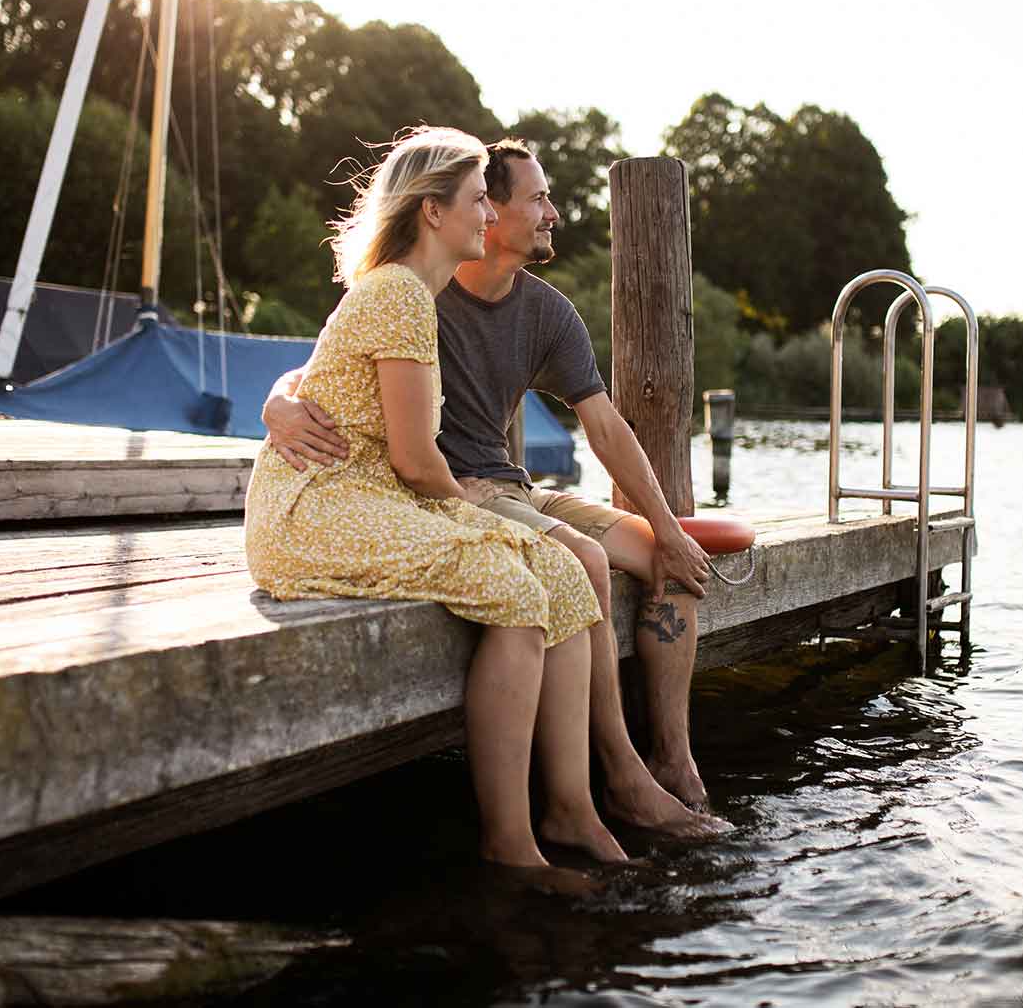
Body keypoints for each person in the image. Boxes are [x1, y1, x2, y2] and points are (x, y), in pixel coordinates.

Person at [264, 138, 723, 833]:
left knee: (670, 563)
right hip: (452, 489)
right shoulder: (421, 283)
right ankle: (619, 774)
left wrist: (668, 529)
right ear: (491, 211)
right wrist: (276, 406)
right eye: (534, 199)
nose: (553, 214)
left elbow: (605, 427)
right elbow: (323, 363)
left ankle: (673, 757)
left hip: (515, 487)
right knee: (584, 563)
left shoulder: (546, 311)